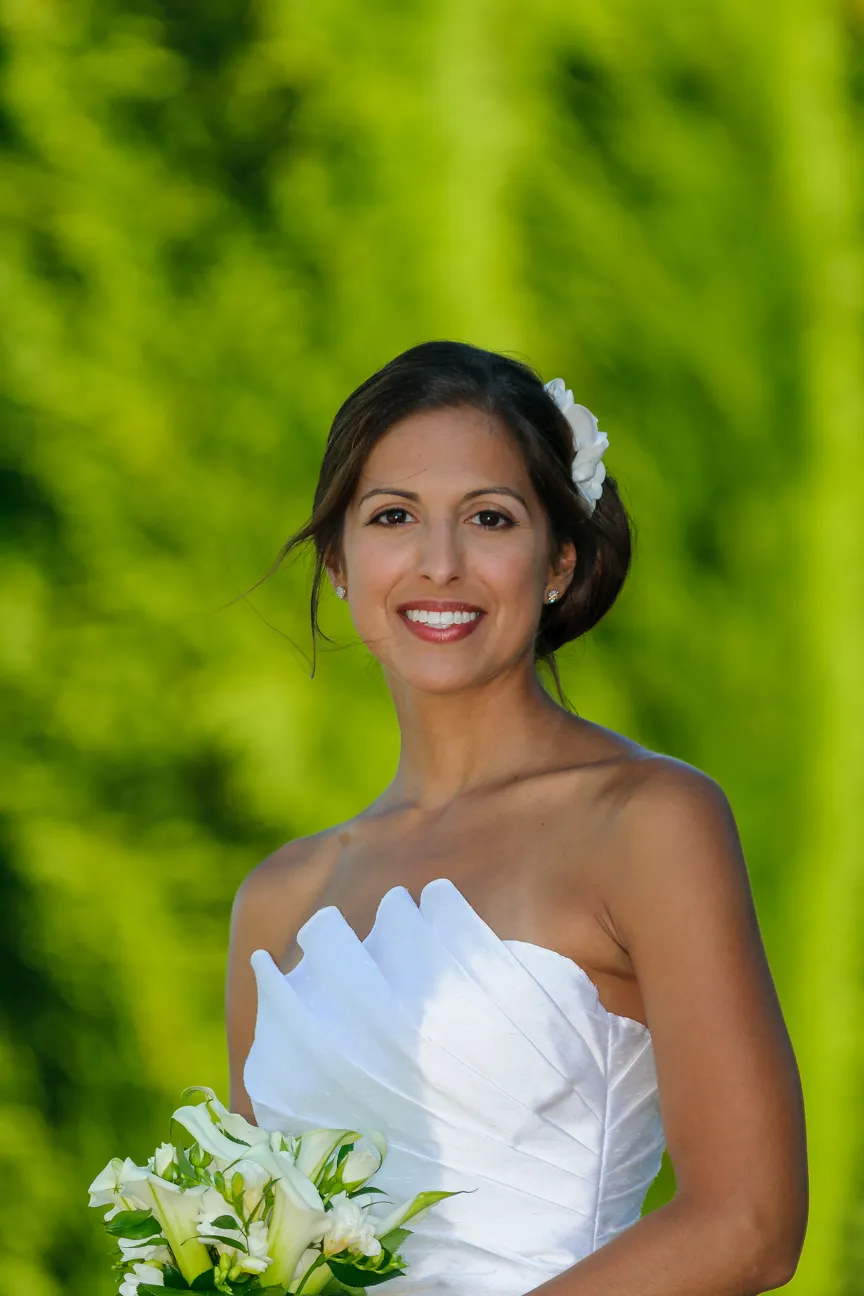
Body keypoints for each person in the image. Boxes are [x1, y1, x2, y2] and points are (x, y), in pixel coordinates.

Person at [226, 341, 808, 1295]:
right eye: (394, 517)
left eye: (489, 518)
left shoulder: (648, 823)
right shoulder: (278, 902)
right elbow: (258, 1258)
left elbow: (748, 1226)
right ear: (340, 561)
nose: (439, 563)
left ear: (558, 562)